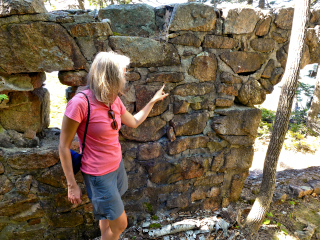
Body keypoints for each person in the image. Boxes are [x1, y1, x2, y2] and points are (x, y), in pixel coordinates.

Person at [59, 51, 168, 240]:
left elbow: (133, 122)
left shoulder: (113, 100)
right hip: (98, 176)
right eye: (122, 74)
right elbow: (63, 146)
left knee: (107, 217)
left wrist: (151, 102)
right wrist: (72, 185)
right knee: (121, 224)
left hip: (116, 168)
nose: (125, 79)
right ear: (109, 77)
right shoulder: (80, 104)